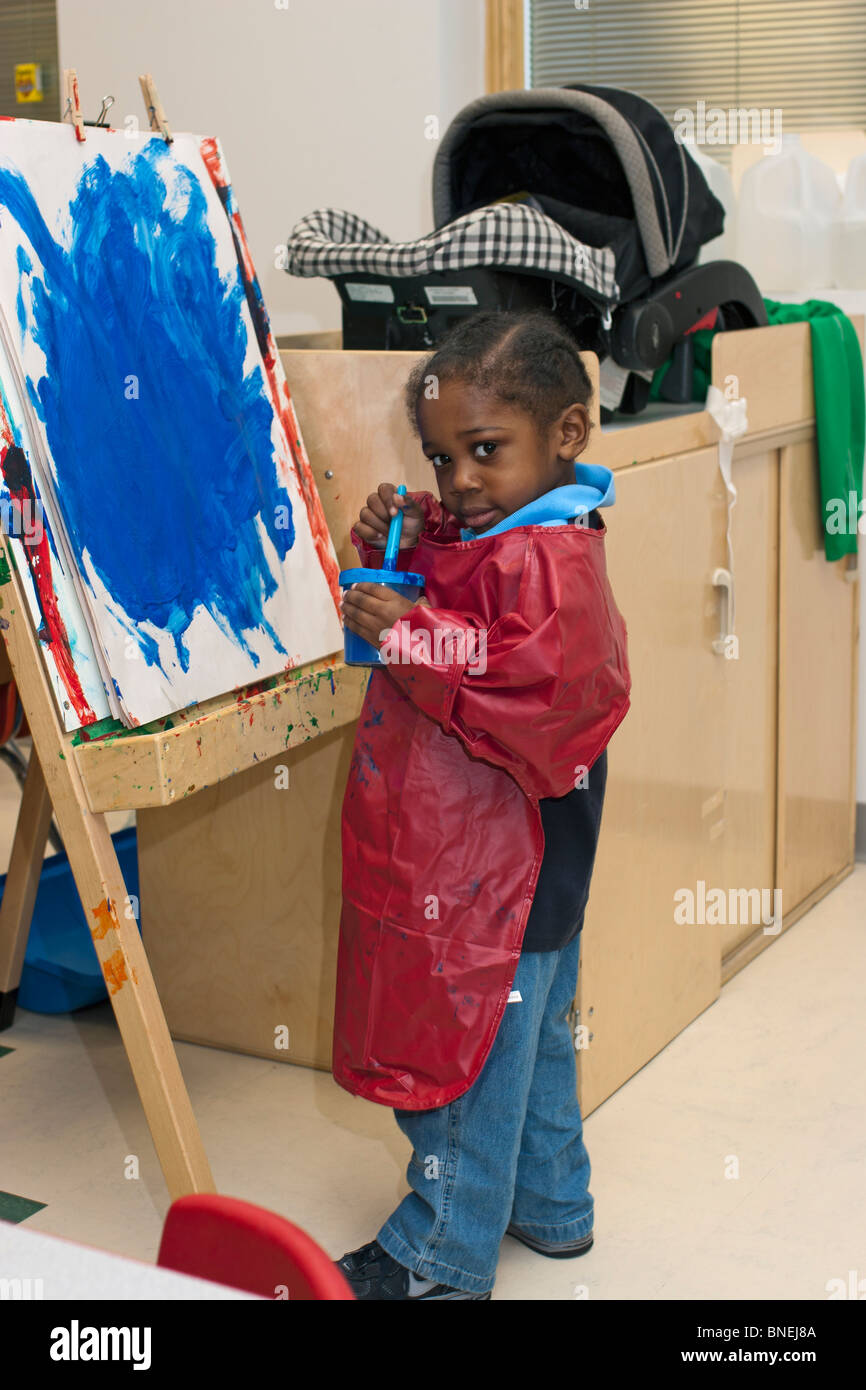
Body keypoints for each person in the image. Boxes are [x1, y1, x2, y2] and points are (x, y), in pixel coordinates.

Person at [333, 309, 631, 1299]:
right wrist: (398, 548)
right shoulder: (516, 526)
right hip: (529, 871)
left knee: (468, 1059)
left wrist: (411, 633)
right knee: (534, 1039)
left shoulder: (549, 559)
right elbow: (461, 595)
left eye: (483, 451)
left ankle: (437, 1255)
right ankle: (548, 1205)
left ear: (567, 434)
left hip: (497, 873)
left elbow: (531, 697)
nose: (457, 480)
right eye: (439, 455)